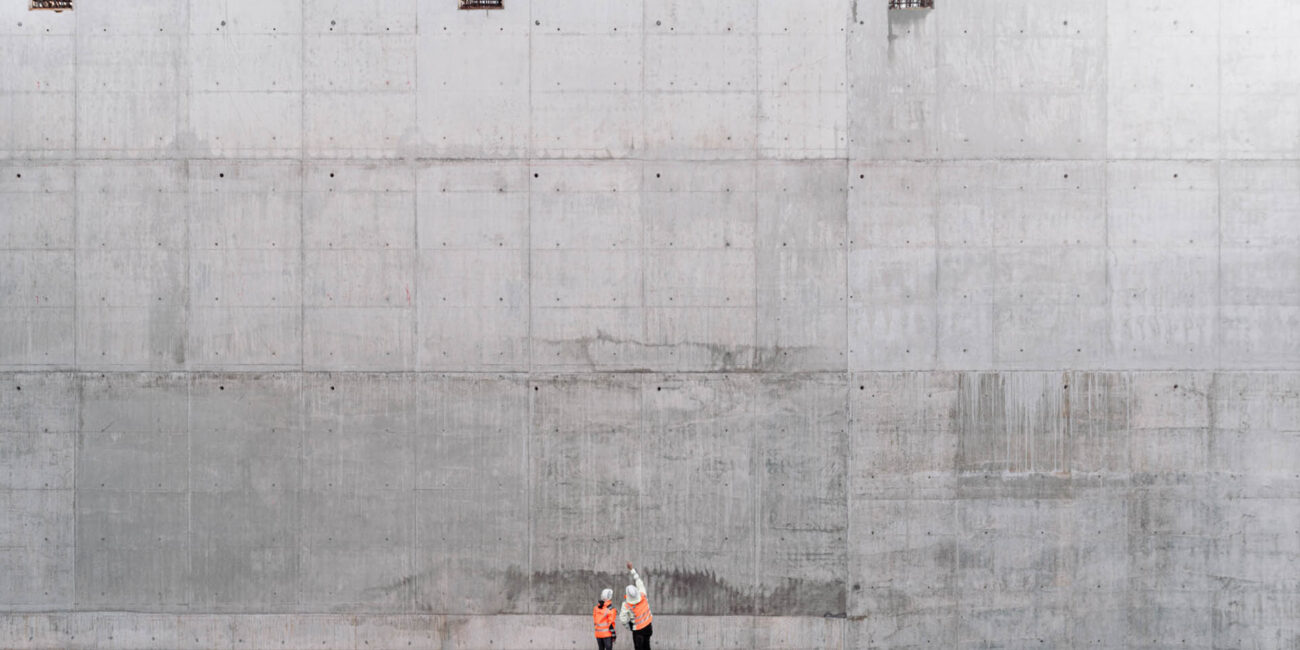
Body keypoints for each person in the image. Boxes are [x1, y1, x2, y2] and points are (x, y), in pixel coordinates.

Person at [618, 562, 653, 650]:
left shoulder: (626, 605)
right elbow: (639, 581)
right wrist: (632, 570)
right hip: (648, 627)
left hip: (638, 631)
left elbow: (623, 619)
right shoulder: (643, 595)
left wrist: (628, 626)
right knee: (647, 646)